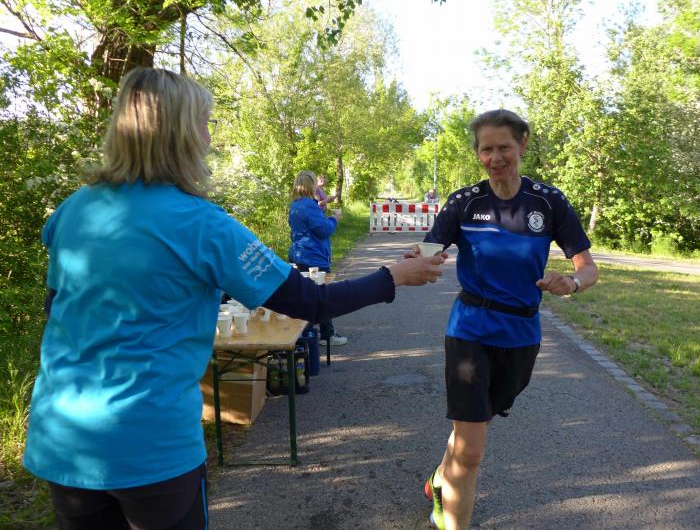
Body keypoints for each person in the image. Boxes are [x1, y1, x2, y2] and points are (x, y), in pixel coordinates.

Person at [22, 67, 445, 530]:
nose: (209, 137)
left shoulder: (74, 209)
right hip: (149, 441)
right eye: (205, 123)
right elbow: (310, 303)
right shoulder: (200, 223)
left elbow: (57, 310)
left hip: (62, 434)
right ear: (181, 134)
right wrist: (393, 276)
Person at [408, 109, 598, 530]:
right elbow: (430, 249)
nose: (495, 158)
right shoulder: (464, 202)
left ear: (522, 145)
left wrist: (571, 283)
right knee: (472, 449)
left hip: (521, 336)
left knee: (473, 427)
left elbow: (588, 269)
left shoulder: (548, 202)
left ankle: (439, 479)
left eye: (504, 148)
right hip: (470, 331)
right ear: (477, 153)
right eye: (486, 150)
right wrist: (420, 258)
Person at [288, 170, 347, 346]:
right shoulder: (309, 206)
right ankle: (327, 335)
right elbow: (324, 230)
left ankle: (304, 335)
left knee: (305, 296)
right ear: (310, 185)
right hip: (314, 258)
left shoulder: (295, 205)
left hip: (299, 255)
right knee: (323, 296)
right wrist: (335, 218)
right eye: (315, 183)